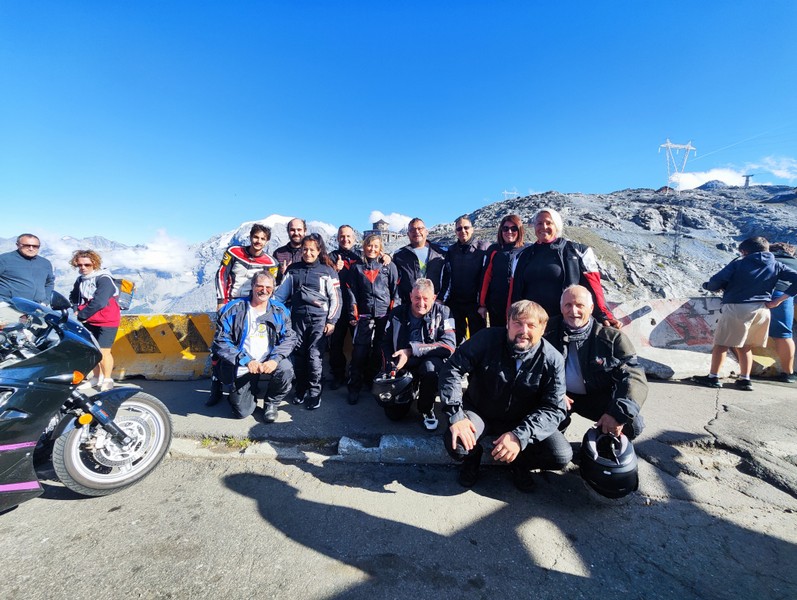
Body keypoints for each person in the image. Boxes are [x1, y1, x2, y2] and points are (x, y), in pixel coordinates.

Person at [439, 299, 572, 491]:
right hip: (480, 411)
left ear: (542, 329)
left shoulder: (553, 359)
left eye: (531, 325)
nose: (523, 331)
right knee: (457, 444)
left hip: (522, 418)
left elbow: (553, 408)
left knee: (560, 455)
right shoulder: (486, 339)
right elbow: (452, 369)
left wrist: (520, 436)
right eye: (518, 323)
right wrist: (456, 416)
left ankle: (520, 461)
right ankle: (473, 458)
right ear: (508, 323)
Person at [692, 236, 797, 391]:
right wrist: (778, 301)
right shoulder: (776, 265)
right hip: (762, 311)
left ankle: (713, 377)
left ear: (745, 251)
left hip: (739, 308)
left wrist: (708, 286)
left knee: (721, 344)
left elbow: (716, 281)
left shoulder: (739, 263)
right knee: (745, 345)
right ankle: (745, 380)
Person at [544, 285, 647, 440]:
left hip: (596, 396)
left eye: (580, 305)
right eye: (568, 305)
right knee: (549, 439)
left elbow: (633, 376)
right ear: (561, 308)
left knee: (633, 425)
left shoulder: (613, 338)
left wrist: (616, 414)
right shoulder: (545, 332)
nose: (573, 311)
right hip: (560, 395)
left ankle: (601, 438)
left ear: (591, 308)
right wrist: (553, 392)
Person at [510, 208, 620, 328]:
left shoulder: (578, 251)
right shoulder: (521, 256)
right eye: (539, 223)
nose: (544, 227)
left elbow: (594, 287)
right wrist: (511, 319)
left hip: (566, 322)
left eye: (549, 223)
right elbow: (514, 291)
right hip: (532, 324)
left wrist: (604, 315)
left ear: (557, 226)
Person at [212, 272, 297, 421]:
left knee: (286, 369)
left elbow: (289, 338)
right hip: (243, 362)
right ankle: (239, 388)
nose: (264, 290)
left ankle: (271, 403)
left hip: (269, 359)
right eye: (260, 286)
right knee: (242, 412)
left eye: (268, 287)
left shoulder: (280, 310)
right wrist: (245, 360)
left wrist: (275, 359)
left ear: (273, 289)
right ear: (252, 286)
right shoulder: (234, 309)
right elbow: (221, 341)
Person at [273, 233, 341, 410]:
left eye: (312, 249)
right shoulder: (293, 269)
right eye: (305, 249)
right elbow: (280, 296)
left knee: (314, 356)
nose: (308, 253)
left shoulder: (328, 271)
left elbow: (336, 299)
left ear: (319, 251)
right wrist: (270, 311)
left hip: (320, 321)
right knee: (299, 355)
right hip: (297, 319)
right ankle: (301, 389)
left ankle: (315, 392)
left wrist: (332, 321)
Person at [380, 277, 455, 429]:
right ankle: (410, 389)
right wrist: (390, 364)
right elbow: (385, 343)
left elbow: (449, 346)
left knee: (431, 370)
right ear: (410, 296)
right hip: (403, 364)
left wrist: (411, 350)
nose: (421, 303)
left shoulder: (445, 312)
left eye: (426, 299)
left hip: (429, 362)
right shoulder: (397, 313)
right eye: (417, 298)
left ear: (434, 298)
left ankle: (426, 409)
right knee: (394, 415)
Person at [346, 234, 400, 404]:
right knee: (359, 352)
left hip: (384, 315)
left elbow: (395, 290)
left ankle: (373, 382)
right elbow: (351, 291)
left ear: (380, 248)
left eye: (376, 246)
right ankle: (354, 386)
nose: (372, 249)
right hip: (364, 315)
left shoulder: (388, 266)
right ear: (364, 247)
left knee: (379, 351)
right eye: (369, 245)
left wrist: (394, 313)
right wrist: (353, 313)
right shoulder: (356, 268)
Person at [68, 250, 121, 391]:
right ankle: (96, 378)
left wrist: (82, 315)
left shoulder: (104, 279)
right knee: (92, 350)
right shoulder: (81, 279)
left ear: (95, 264)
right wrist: (75, 308)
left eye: (87, 265)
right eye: (79, 265)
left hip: (107, 320)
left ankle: (107, 379)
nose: (83, 268)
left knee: (104, 351)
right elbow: (74, 295)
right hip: (90, 320)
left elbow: (100, 302)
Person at [441, 215, 490, 345]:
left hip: (475, 304)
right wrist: (442, 299)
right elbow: (447, 276)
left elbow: (488, 277)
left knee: (478, 341)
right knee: (455, 339)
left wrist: (483, 304)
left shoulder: (484, 248)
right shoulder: (451, 250)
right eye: (459, 229)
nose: (463, 231)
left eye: (466, 227)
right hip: (455, 303)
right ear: (455, 232)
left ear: (472, 229)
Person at [215, 224, 279, 312]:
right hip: (229, 302)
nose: (258, 241)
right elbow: (221, 274)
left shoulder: (271, 263)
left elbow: (270, 287)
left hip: (252, 305)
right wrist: (221, 301)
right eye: (256, 237)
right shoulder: (233, 252)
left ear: (267, 241)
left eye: (262, 239)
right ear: (250, 237)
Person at [477, 214, 527, 328]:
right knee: (498, 335)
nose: (509, 232)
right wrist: (482, 304)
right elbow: (486, 277)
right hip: (496, 305)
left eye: (514, 228)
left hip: (520, 305)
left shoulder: (527, 250)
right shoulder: (494, 250)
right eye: (505, 228)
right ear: (501, 231)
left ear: (519, 230)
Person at [328, 224, 361, 390]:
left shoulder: (360, 257)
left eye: (348, 236)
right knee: (336, 344)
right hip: (337, 307)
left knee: (360, 344)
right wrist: (334, 270)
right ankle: (338, 375)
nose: (345, 239)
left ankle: (357, 376)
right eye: (342, 236)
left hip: (356, 307)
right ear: (337, 238)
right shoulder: (330, 257)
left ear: (354, 239)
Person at [392, 218, 446, 305]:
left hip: (435, 304)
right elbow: (394, 281)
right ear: (408, 234)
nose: (416, 232)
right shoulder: (399, 255)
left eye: (420, 228)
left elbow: (449, 278)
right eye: (412, 230)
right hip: (409, 305)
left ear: (426, 232)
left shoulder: (441, 252)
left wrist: (441, 298)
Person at [768, 242, 797, 383]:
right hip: (782, 295)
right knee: (783, 335)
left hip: (755, 294)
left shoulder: (764, 260)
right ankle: (788, 373)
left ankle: (745, 372)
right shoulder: (795, 263)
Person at [0, 233, 55, 305]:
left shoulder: (45, 263)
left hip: (36, 307)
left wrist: (45, 301)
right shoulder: (4, 259)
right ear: (18, 245)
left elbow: (49, 283)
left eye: (35, 246)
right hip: (9, 305)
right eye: (27, 245)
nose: (31, 248)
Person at [274, 218, 307, 285]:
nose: (296, 233)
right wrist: (282, 274)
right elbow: (272, 279)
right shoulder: (278, 253)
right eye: (292, 230)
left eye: (299, 230)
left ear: (305, 231)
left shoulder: (310, 253)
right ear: (288, 231)